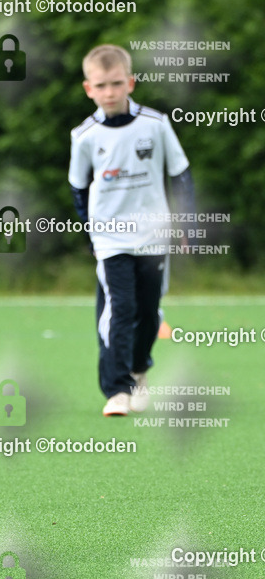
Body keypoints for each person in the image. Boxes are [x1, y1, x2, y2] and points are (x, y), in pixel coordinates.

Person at [68, 44, 194, 416]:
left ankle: (139, 371)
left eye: (116, 84)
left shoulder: (155, 125)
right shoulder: (85, 135)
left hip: (153, 236)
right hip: (110, 239)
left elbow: (180, 174)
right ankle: (117, 389)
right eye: (101, 85)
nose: (109, 92)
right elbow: (78, 188)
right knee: (119, 309)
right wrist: (90, 234)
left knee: (149, 311)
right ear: (89, 88)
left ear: (131, 83)